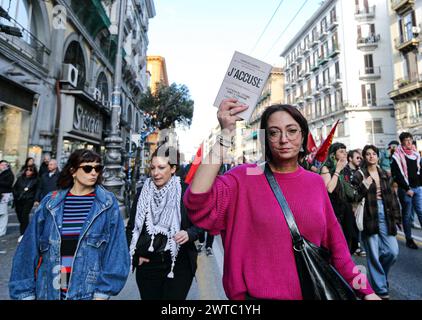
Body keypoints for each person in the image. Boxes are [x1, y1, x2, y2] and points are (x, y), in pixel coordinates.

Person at [183, 98, 379, 300]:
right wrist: (225, 135)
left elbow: (341, 254)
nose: (284, 139)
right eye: (274, 132)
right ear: (265, 139)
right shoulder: (245, 176)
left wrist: (368, 292)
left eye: (292, 131)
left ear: (303, 136)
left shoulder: (315, 183)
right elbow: (197, 202)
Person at [9, 149, 130, 300]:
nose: (94, 173)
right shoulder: (50, 203)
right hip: (49, 292)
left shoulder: (107, 204)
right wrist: (24, 294)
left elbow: (117, 252)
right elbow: (28, 250)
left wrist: (102, 294)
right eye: (87, 168)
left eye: (97, 168)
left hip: (86, 293)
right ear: (73, 171)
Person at [126, 145, 203, 300]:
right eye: (153, 168)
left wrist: (190, 233)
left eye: (161, 167)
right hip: (148, 265)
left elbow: (202, 224)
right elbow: (131, 228)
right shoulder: (142, 192)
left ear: (173, 168)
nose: (155, 173)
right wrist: (136, 257)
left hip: (179, 264)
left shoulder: (187, 191)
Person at [352, 145, 401, 300]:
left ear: (378, 156)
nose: (371, 156)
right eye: (368, 154)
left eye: (374, 154)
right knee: (373, 254)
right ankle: (380, 289)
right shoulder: (359, 175)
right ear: (365, 157)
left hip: (385, 214)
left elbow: (393, 198)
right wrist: (365, 184)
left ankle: (379, 277)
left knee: (392, 252)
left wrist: (396, 217)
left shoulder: (385, 174)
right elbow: (354, 196)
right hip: (369, 215)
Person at [320, 143, 359, 254]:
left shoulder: (345, 169)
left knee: (351, 238)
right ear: (333, 154)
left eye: (345, 151)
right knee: (338, 242)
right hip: (333, 209)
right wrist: (337, 171)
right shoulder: (326, 168)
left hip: (345, 208)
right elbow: (329, 189)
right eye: (341, 151)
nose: (344, 154)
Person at [391, 132, 422, 249]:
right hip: (406, 190)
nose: (409, 142)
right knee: (407, 215)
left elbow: (419, 171)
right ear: (402, 142)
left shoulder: (415, 154)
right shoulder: (397, 156)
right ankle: (409, 239)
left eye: (410, 140)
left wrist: (420, 184)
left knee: (421, 212)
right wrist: (406, 188)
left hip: (418, 188)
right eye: (406, 140)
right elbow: (397, 175)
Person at [12, 165, 39, 242]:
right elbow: (15, 188)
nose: (28, 171)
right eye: (27, 170)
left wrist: (35, 199)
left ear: (33, 172)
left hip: (28, 200)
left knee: (24, 215)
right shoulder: (20, 179)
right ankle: (25, 230)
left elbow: (37, 190)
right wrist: (16, 195)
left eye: (30, 170)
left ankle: (23, 233)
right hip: (18, 200)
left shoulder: (36, 180)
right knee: (20, 215)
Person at [0, 160, 15, 237]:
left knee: (3, 213)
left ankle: (2, 231)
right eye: (2, 165)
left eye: (5, 165)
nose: (3, 166)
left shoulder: (9, 174)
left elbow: (9, 184)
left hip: (5, 195)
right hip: (1, 194)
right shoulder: (1, 173)